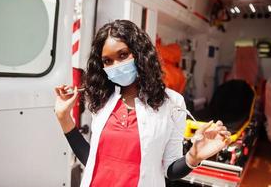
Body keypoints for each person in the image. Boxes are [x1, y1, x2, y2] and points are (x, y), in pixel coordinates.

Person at [54, 19, 231, 187]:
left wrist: (193, 157)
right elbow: (93, 159)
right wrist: (64, 118)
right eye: (107, 61)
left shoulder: (172, 103)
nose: (115, 65)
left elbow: (171, 170)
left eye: (122, 55)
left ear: (139, 54)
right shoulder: (103, 99)